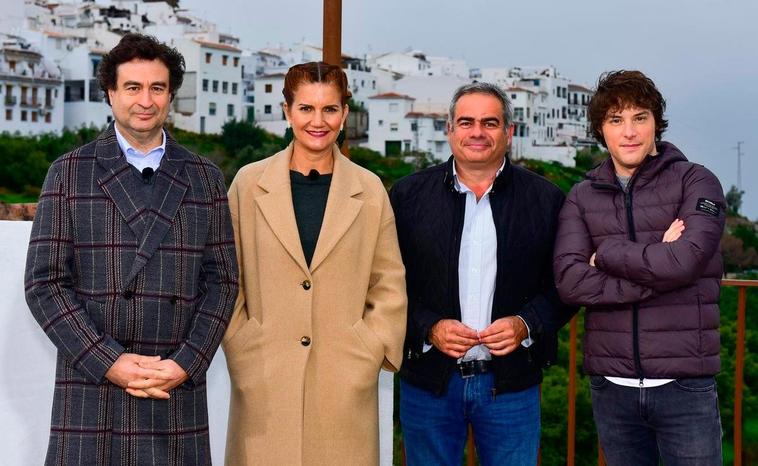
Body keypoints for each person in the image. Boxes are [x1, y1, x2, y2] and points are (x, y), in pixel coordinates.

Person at [25, 33, 238, 465]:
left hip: (171, 383)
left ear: (171, 95)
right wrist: (109, 361)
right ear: (110, 93)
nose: (145, 100)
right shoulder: (68, 172)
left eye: (157, 88)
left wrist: (186, 363)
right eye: (132, 87)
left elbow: (224, 283)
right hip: (93, 386)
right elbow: (44, 283)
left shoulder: (205, 177)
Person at [223, 61, 407, 465]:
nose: (317, 121)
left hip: (345, 379)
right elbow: (226, 277)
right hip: (264, 376)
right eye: (306, 108)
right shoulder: (249, 184)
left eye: (329, 109)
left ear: (344, 114)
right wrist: (241, 344)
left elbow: (388, 281)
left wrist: (369, 350)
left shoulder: (370, 189)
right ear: (287, 111)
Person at [390, 82, 575, 466]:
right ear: (450, 130)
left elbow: (567, 285)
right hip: (428, 382)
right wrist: (429, 327)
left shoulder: (546, 200)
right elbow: (384, 285)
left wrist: (526, 323)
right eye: (467, 122)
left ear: (509, 132)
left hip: (511, 386)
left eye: (490, 123)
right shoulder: (407, 197)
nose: (477, 132)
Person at [553, 70, 726, 465]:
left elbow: (684, 261)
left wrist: (608, 254)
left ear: (656, 124)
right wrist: (660, 267)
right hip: (612, 389)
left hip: (685, 384)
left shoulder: (696, 181)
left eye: (640, 117)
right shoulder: (582, 195)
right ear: (601, 129)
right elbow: (570, 283)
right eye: (616, 120)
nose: (629, 131)